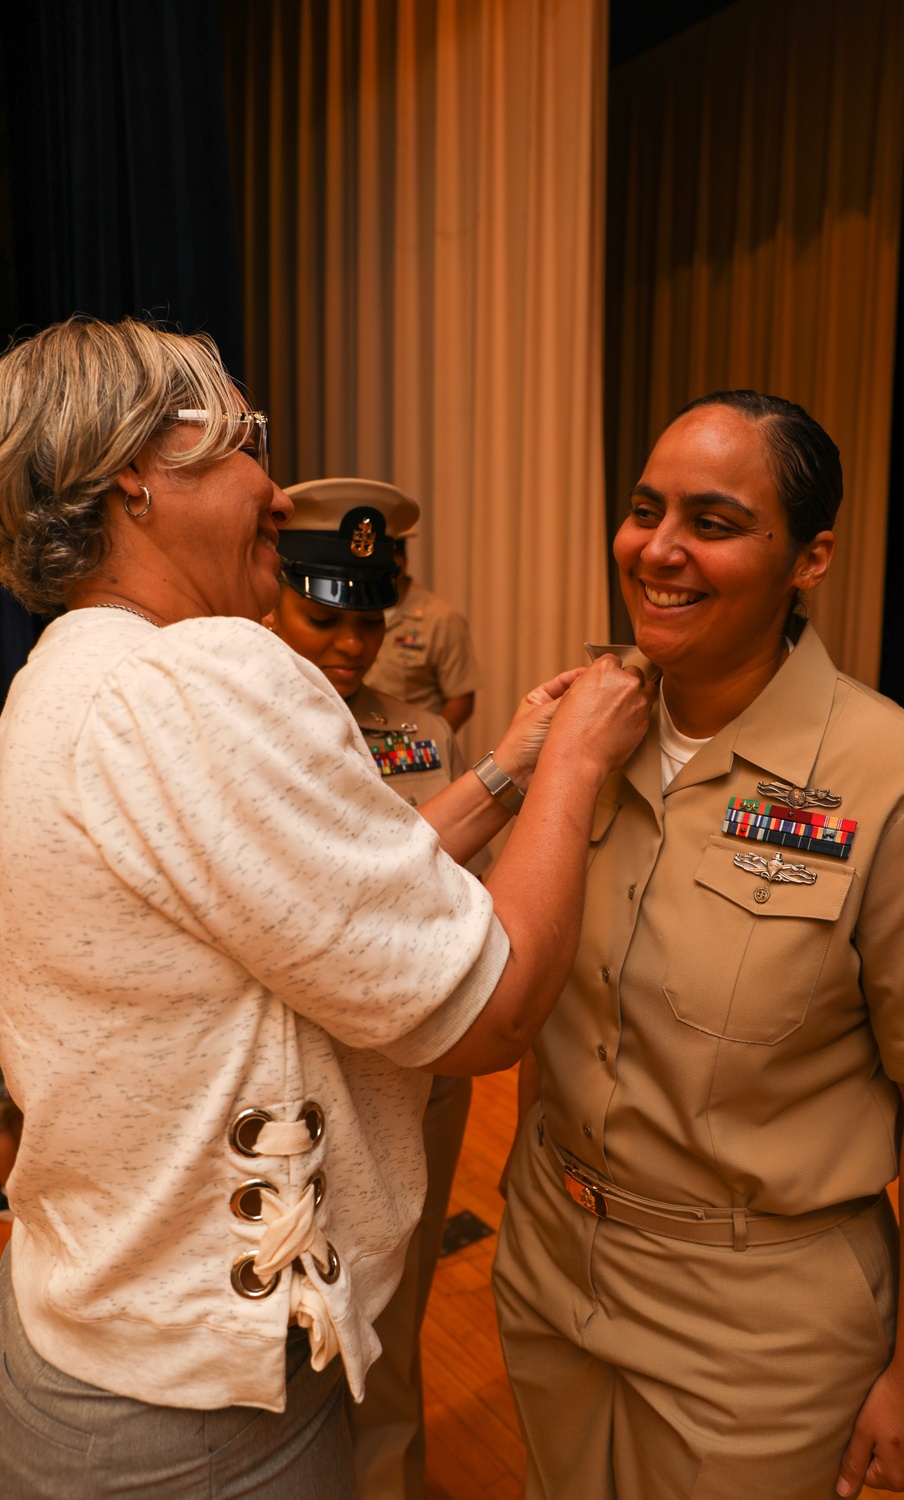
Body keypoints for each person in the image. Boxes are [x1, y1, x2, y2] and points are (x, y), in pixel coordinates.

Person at [0, 316, 653, 1499]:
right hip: (202, 1419)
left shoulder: (69, 674)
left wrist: (505, 765)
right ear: (137, 478)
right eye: (249, 441)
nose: (278, 485)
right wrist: (576, 768)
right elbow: (495, 1010)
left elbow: (311, 896)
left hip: (92, 1343)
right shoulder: (202, 676)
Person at [492, 390, 904, 1500]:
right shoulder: (584, 735)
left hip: (757, 1323)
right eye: (643, 510)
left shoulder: (895, 783)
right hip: (549, 1256)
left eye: (713, 522)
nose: (657, 550)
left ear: (808, 559)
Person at [265, 473, 483, 1499]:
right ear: (269, 594)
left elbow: (447, 905)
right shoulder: (235, 726)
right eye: (323, 617)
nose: (350, 645)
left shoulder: (421, 740)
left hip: (413, 1074)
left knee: (392, 1320)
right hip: (283, 1092)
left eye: (370, 620)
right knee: (281, 1338)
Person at [363, 531, 481, 731]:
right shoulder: (353, 613)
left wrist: (429, 742)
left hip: (410, 746)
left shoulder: (440, 619)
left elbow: (461, 699)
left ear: (399, 564)